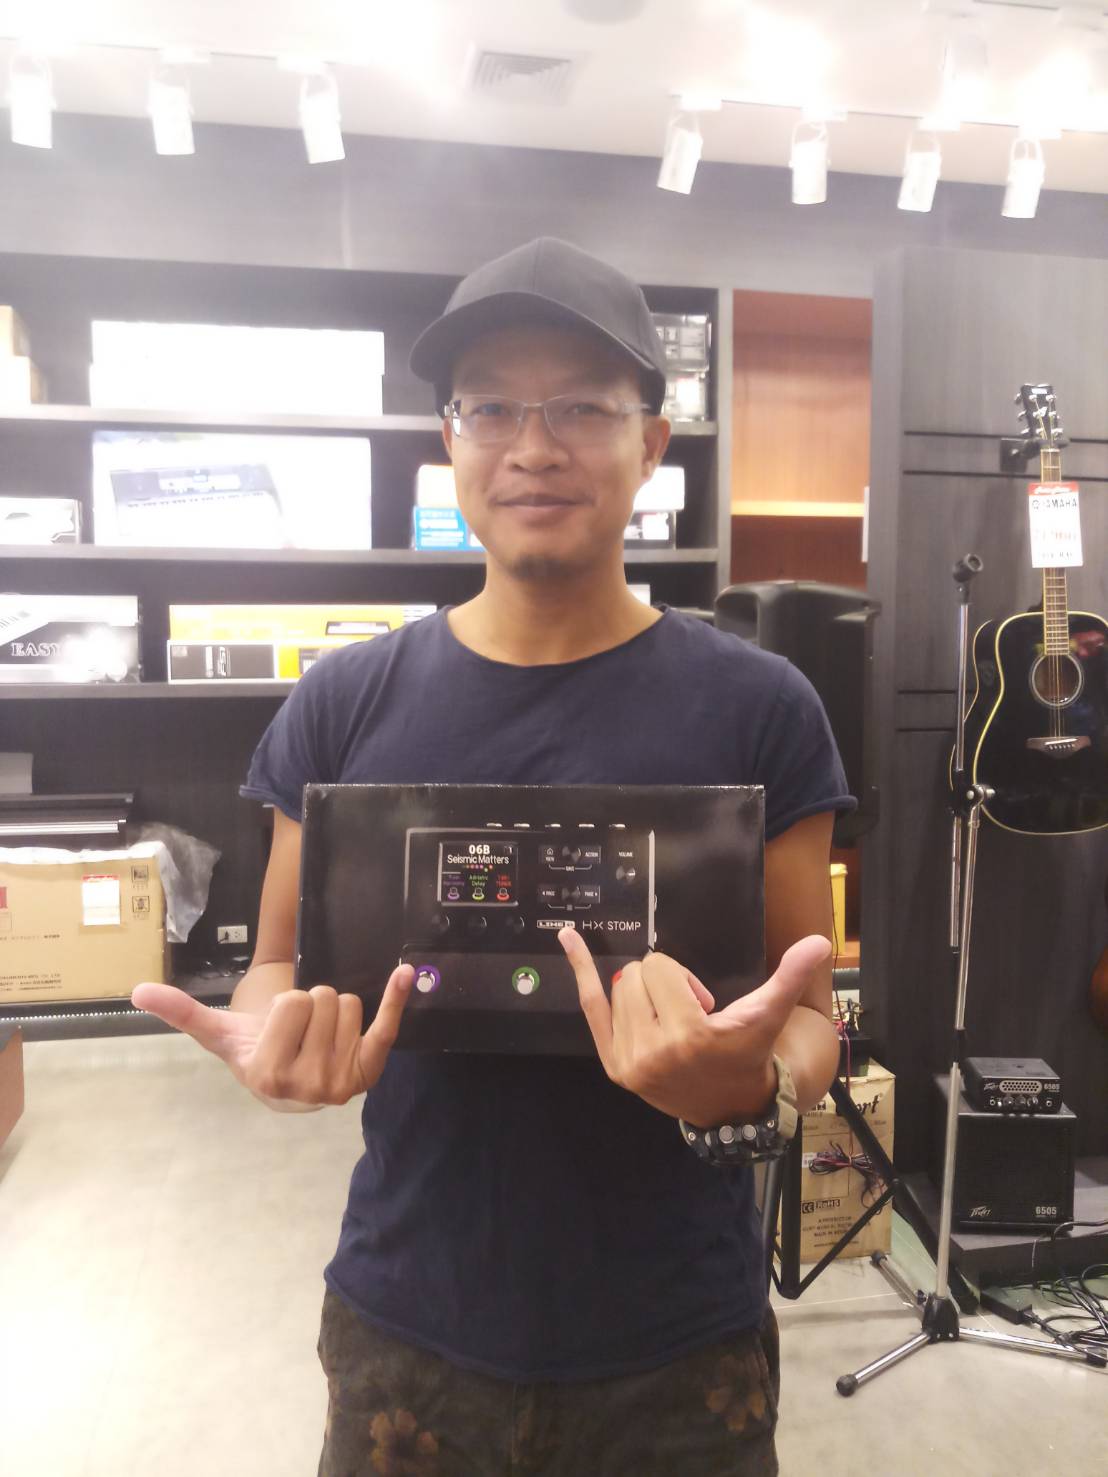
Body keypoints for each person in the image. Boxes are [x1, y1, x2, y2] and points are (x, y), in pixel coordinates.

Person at [133, 237, 852, 1476]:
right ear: (449, 442)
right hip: (409, 1322)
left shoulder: (764, 708)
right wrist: (274, 1039)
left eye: (580, 407)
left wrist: (746, 1083)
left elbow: (808, 1018)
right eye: (491, 407)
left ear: (652, 444)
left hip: (680, 1338)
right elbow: (276, 963)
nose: (534, 446)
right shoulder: (342, 703)